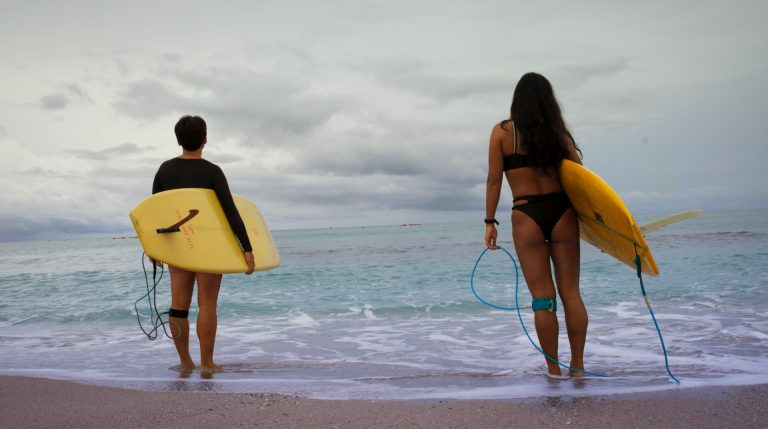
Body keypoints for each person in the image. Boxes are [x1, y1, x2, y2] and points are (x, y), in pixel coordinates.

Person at [484, 73, 586, 377]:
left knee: (543, 298)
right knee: (571, 293)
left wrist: (490, 222)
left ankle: (553, 370)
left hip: (526, 214)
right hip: (563, 213)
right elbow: (582, 179)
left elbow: (493, 181)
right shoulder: (559, 136)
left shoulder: (503, 133)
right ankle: (578, 367)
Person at [152, 115, 256, 372]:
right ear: (205, 140)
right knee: (207, 303)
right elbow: (231, 212)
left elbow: (154, 212)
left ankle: (185, 363)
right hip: (209, 246)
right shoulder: (212, 171)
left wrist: (153, 248)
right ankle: (207, 363)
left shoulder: (165, 170)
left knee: (178, 305)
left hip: (178, 246)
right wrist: (247, 248)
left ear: (178, 140)